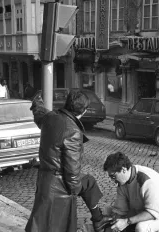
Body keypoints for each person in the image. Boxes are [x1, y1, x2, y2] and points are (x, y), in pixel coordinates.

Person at [25, 90, 113, 232]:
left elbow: (39, 113)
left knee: (44, 223)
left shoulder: (51, 117)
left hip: (45, 179)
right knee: (55, 226)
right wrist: (75, 189)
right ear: (83, 111)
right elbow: (72, 172)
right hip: (59, 184)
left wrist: (37, 103)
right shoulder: (73, 132)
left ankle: (98, 218)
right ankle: (98, 218)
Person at [103, 152, 159, 232]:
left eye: (113, 176)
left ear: (123, 170)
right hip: (139, 209)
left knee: (141, 227)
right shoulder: (122, 181)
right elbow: (120, 210)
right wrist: (113, 219)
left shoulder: (147, 181)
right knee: (107, 210)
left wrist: (126, 222)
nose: (112, 180)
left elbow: (153, 213)